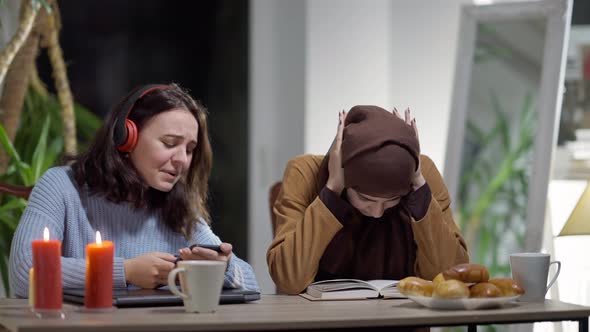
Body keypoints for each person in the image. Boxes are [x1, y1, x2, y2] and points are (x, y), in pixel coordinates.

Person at [9, 83, 259, 297]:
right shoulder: (61, 186)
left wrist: (223, 268)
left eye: (190, 149)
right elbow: (24, 271)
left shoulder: (179, 205)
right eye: (170, 143)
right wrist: (126, 271)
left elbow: (251, 284)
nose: (182, 159)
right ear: (127, 138)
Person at [267, 105, 468, 294]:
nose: (377, 212)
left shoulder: (421, 175)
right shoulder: (305, 174)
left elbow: (449, 278)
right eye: (365, 198)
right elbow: (289, 280)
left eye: (392, 200)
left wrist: (419, 188)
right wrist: (332, 190)